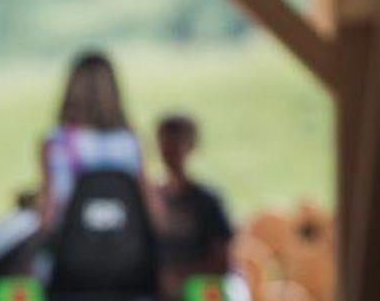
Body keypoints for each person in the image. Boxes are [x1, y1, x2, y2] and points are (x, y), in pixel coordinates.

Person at [36, 49, 146, 227]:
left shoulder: (57, 142)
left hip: (73, 240)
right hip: (125, 240)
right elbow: (146, 203)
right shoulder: (130, 142)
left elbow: (48, 214)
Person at [153, 111, 234, 282]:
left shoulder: (208, 201)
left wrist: (180, 276)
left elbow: (223, 260)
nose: (171, 149)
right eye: (166, 141)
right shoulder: (150, 198)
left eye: (177, 141)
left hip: (199, 288)